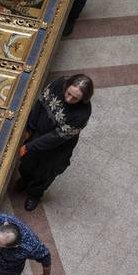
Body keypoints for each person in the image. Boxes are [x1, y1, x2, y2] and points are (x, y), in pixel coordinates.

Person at [15, 74, 93, 211]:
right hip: (39, 133)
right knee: (26, 164)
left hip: (57, 149)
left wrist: (30, 146)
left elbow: (56, 137)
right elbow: (40, 103)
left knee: (44, 174)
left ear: (83, 100)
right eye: (68, 93)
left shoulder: (82, 114)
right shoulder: (57, 84)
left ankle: (34, 194)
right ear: (66, 86)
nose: (69, 99)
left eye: (75, 98)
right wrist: (30, 128)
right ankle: (25, 180)